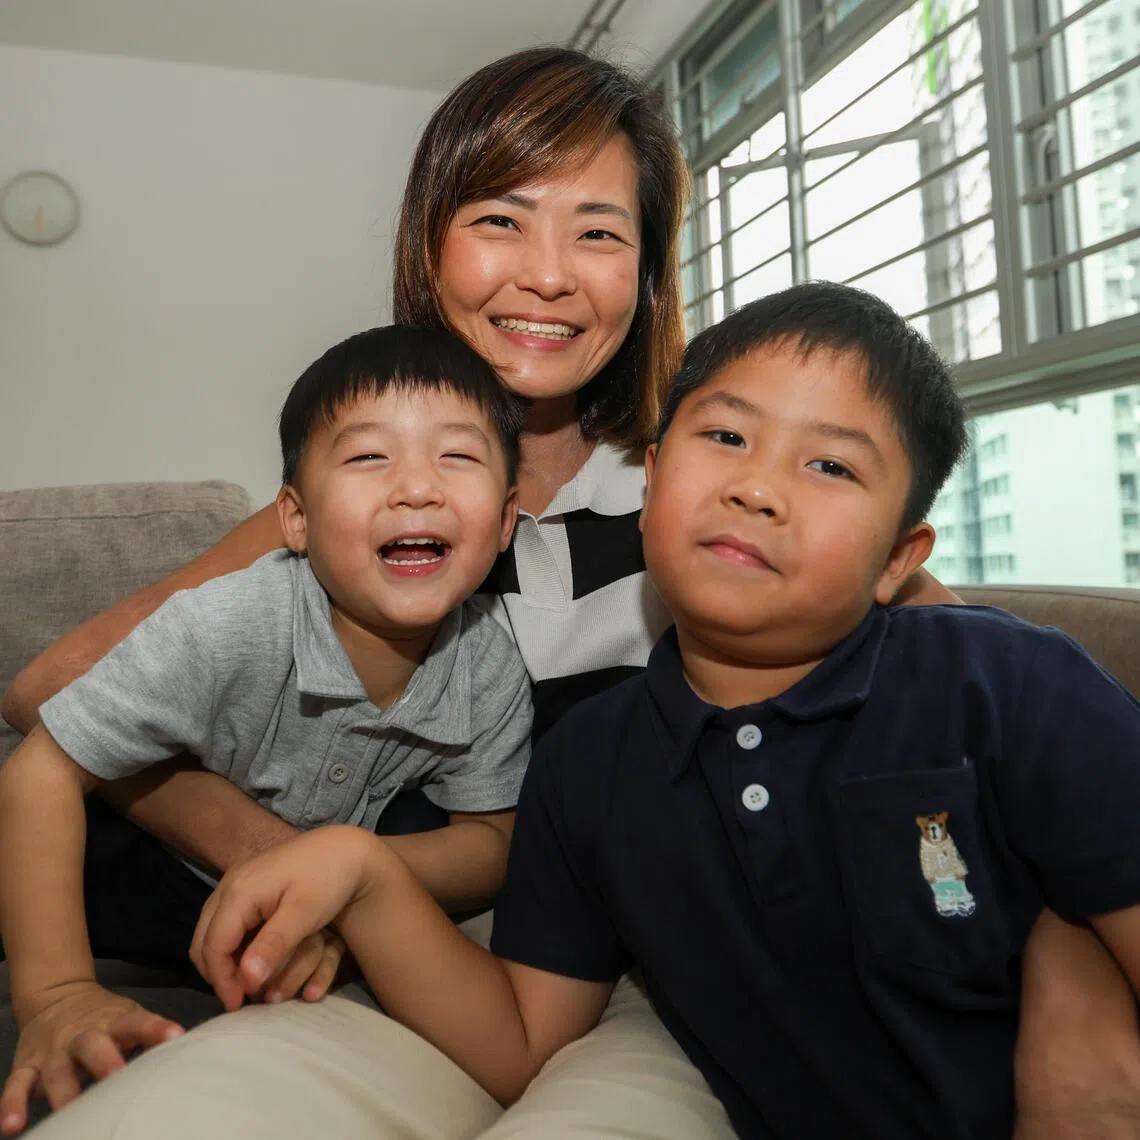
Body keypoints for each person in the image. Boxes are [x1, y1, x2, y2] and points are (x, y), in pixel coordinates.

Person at [4, 46, 1140, 1140]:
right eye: (499, 218)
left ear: (644, 276)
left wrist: (1069, 964)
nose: (546, 274)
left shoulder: (713, 496)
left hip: (615, 954)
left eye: (598, 233)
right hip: (395, 945)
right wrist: (290, 860)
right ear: (430, 244)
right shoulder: (370, 504)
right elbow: (58, 690)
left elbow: (980, 757)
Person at [187, 282, 1140, 1140]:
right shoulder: (587, 764)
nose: (756, 487)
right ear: (649, 485)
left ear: (901, 556)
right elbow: (521, 1041)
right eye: (725, 437)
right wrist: (365, 874)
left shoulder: (1005, 683)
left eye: (833, 468)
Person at [0, 325, 531, 1132]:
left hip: (276, 902)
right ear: (295, 519)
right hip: (133, 852)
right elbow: (43, 767)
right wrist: (59, 995)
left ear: (503, 521)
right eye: (367, 459)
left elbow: (491, 841)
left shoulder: (488, 661)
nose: (416, 489)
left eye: (457, 457)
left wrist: (347, 878)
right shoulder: (231, 621)